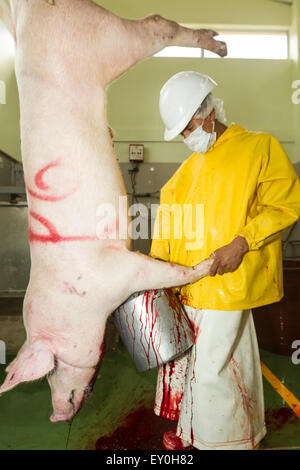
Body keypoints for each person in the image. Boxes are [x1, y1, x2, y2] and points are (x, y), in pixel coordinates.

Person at [149, 71, 300, 450]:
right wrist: (154, 274)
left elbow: (285, 203)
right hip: (192, 286)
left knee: (208, 369)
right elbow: (168, 229)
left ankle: (214, 444)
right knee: (234, 360)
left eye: (188, 128)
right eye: (181, 132)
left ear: (208, 112)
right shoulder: (184, 174)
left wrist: (243, 241)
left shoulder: (258, 148)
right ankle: (224, 433)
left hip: (229, 284)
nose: (187, 138)